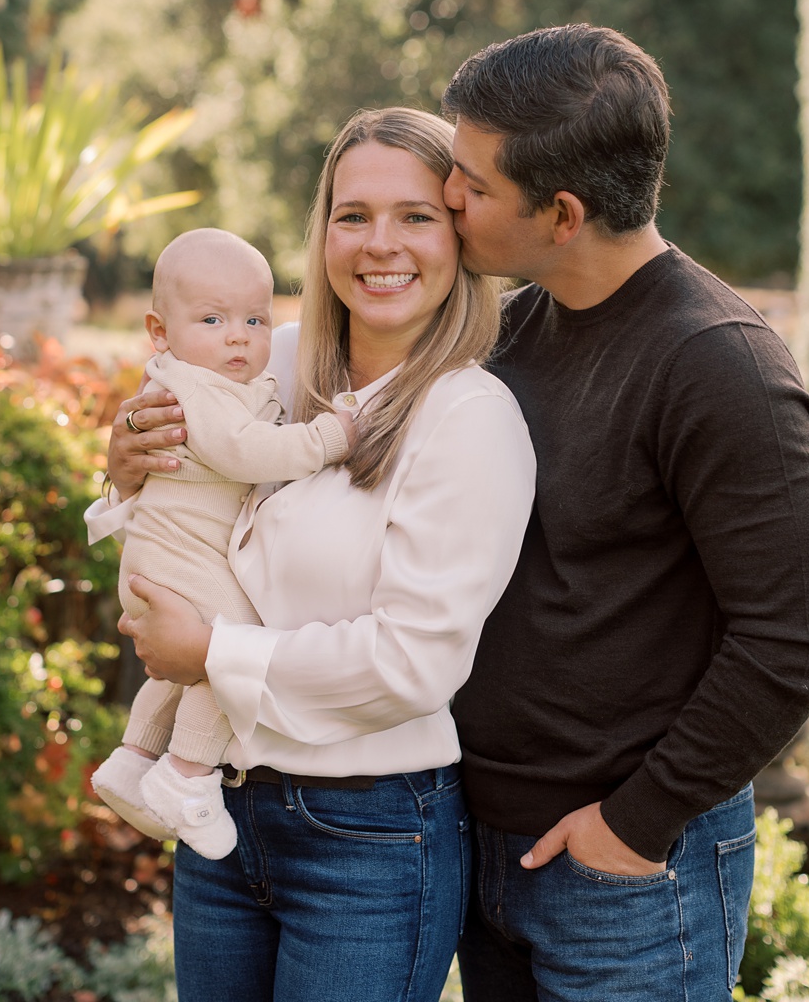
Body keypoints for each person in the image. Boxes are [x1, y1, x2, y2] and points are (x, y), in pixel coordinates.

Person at [85, 107, 536, 1002]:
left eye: (415, 216)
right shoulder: (265, 357)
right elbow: (186, 526)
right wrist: (124, 475)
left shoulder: (469, 418)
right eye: (352, 214)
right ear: (321, 231)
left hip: (365, 834)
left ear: (460, 235)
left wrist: (210, 653)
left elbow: (415, 663)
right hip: (222, 808)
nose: (381, 244)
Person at [437, 23, 809, 1001]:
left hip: (621, 876)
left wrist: (633, 822)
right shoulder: (508, 326)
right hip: (484, 849)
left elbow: (794, 639)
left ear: (564, 212)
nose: (446, 197)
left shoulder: (722, 366)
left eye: (475, 184)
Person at [90, 227, 353, 860]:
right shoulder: (198, 389)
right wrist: (327, 438)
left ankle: (132, 759)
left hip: (167, 560)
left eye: (256, 318)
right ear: (161, 332)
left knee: (187, 665)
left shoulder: (217, 376)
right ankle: (186, 775)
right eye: (212, 318)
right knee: (226, 647)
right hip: (174, 562)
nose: (239, 335)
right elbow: (245, 451)